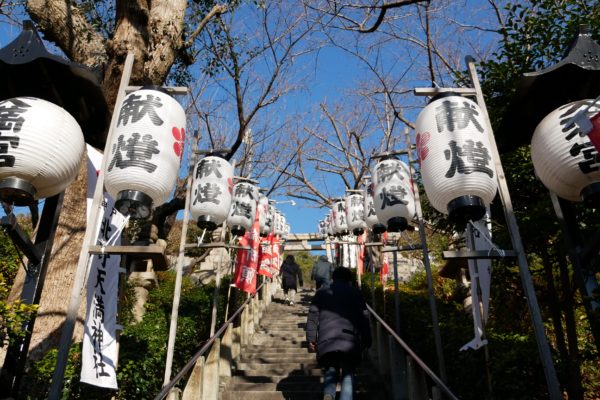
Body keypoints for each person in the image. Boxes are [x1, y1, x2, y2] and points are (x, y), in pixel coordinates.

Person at [306, 267, 372, 400]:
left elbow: (313, 316)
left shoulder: (321, 293)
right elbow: (363, 317)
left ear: (333, 278)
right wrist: (367, 339)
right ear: (349, 279)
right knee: (348, 372)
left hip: (327, 340)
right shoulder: (355, 293)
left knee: (331, 368)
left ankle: (328, 394)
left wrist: (311, 338)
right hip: (349, 340)